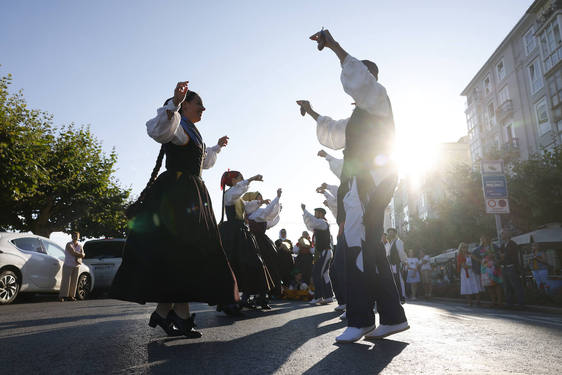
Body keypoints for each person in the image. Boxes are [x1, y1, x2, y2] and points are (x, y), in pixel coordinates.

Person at [299, 29, 408, 342]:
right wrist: (311, 112)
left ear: (369, 78)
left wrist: (334, 46)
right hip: (362, 184)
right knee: (369, 245)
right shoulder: (359, 116)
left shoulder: (377, 99)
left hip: (369, 182)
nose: (356, 85)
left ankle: (360, 320)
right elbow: (333, 130)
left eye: (362, 75)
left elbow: (358, 76)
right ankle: (392, 315)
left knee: (356, 244)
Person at [111, 82, 238, 338]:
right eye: (198, 103)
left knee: (182, 252)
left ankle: (166, 312)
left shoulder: (195, 133)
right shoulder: (177, 124)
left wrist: (218, 146)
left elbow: (203, 160)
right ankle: (177, 316)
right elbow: (158, 131)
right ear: (186, 104)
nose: (203, 108)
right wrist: (174, 104)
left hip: (192, 195)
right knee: (183, 250)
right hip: (176, 197)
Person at [218, 170, 273, 313]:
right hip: (233, 234)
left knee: (252, 263)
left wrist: (261, 202)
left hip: (242, 232)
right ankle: (230, 300)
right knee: (235, 264)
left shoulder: (238, 198)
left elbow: (247, 206)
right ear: (234, 181)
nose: (242, 180)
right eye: (240, 178)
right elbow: (238, 190)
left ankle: (249, 295)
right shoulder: (229, 194)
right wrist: (251, 179)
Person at [244, 188, 283, 308]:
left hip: (260, 242)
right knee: (262, 269)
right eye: (258, 198)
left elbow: (270, 221)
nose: (260, 200)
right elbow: (267, 213)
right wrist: (277, 199)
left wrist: (278, 208)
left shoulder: (254, 214)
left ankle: (260, 297)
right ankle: (257, 297)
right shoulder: (255, 213)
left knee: (266, 269)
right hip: (257, 243)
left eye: (260, 198)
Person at [301, 204, 334, 305]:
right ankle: (328, 296)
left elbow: (313, 221)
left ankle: (318, 296)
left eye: (316, 213)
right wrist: (305, 214)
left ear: (321, 214)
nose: (315, 214)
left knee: (317, 273)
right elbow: (309, 224)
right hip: (319, 252)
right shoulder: (318, 225)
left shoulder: (323, 223)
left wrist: (305, 211)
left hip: (324, 251)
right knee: (324, 274)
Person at [472, 235, 502, 308]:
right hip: (485, 268)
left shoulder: (494, 246)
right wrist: (480, 260)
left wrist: (495, 258)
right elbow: (472, 255)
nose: (483, 240)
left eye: (485, 238)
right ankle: (493, 301)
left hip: (494, 266)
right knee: (489, 286)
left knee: (497, 284)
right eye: (481, 239)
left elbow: (499, 253)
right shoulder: (479, 249)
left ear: (488, 239)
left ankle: (499, 302)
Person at [500, 229, 525, 308]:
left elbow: (512, 256)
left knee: (516, 285)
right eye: (501, 234)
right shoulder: (502, 245)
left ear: (507, 235)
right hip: (504, 267)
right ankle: (509, 303)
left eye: (503, 234)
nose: (501, 236)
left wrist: (504, 256)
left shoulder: (513, 244)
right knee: (506, 286)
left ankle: (521, 303)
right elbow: (500, 255)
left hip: (511, 267)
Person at [59, 231, 85, 302]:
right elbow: (73, 252)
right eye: (74, 236)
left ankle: (71, 296)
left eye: (76, 236)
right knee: (66, 281)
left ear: (79, 237)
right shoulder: (69, 244)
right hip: (68, 264)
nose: (75, 237)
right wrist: (81, 255)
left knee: (74, 281)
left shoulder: (80, 245)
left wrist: (81, 255)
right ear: (71, 237)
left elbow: (83, 253)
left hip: (76, 265)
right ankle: (63, 296)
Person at [386, 228, 407, 303]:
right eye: (389, 232)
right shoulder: (391, 243)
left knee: (400, 280)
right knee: (395, 280)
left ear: (395, 233)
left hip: (397, 264)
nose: (390, 234)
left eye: (392, 232)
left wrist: (403, 261)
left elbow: (401, 252)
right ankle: (398, 296)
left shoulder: (398, 241)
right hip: (392, 265)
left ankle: (402, 296)